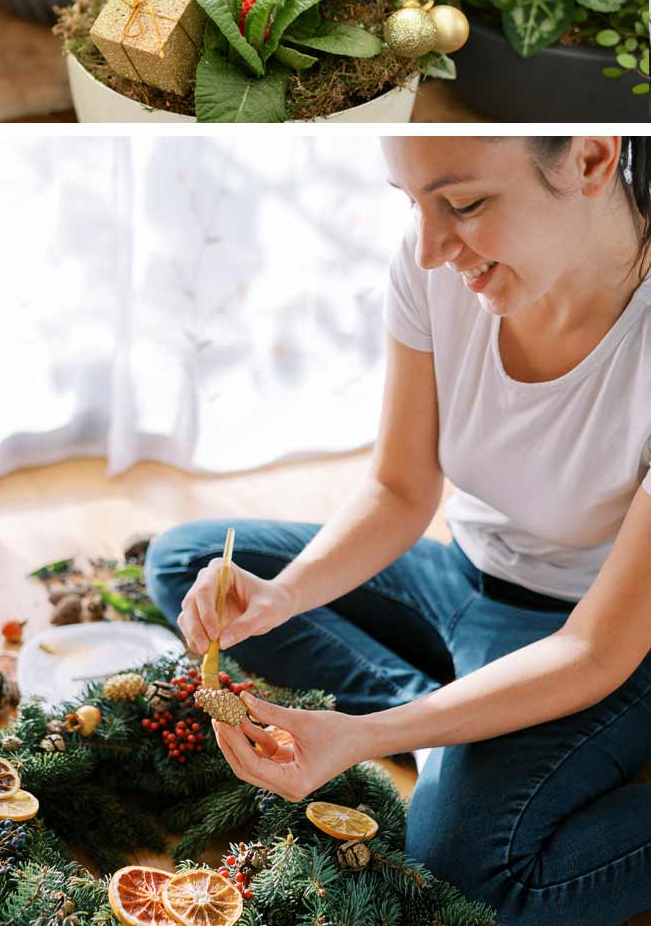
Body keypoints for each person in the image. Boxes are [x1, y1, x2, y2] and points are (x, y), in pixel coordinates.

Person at [145, 136, 651, 926]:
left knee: (468, 877)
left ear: (589, 158)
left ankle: (449, 729)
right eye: (410, 202)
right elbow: (399, 489)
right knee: (187, 563)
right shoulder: (443, 273)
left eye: (465, 204)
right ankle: (448, 720)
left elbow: (594, 650)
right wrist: (277, 598)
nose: (428, 247)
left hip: (603, 641)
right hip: (464, 578)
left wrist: (366, 734)